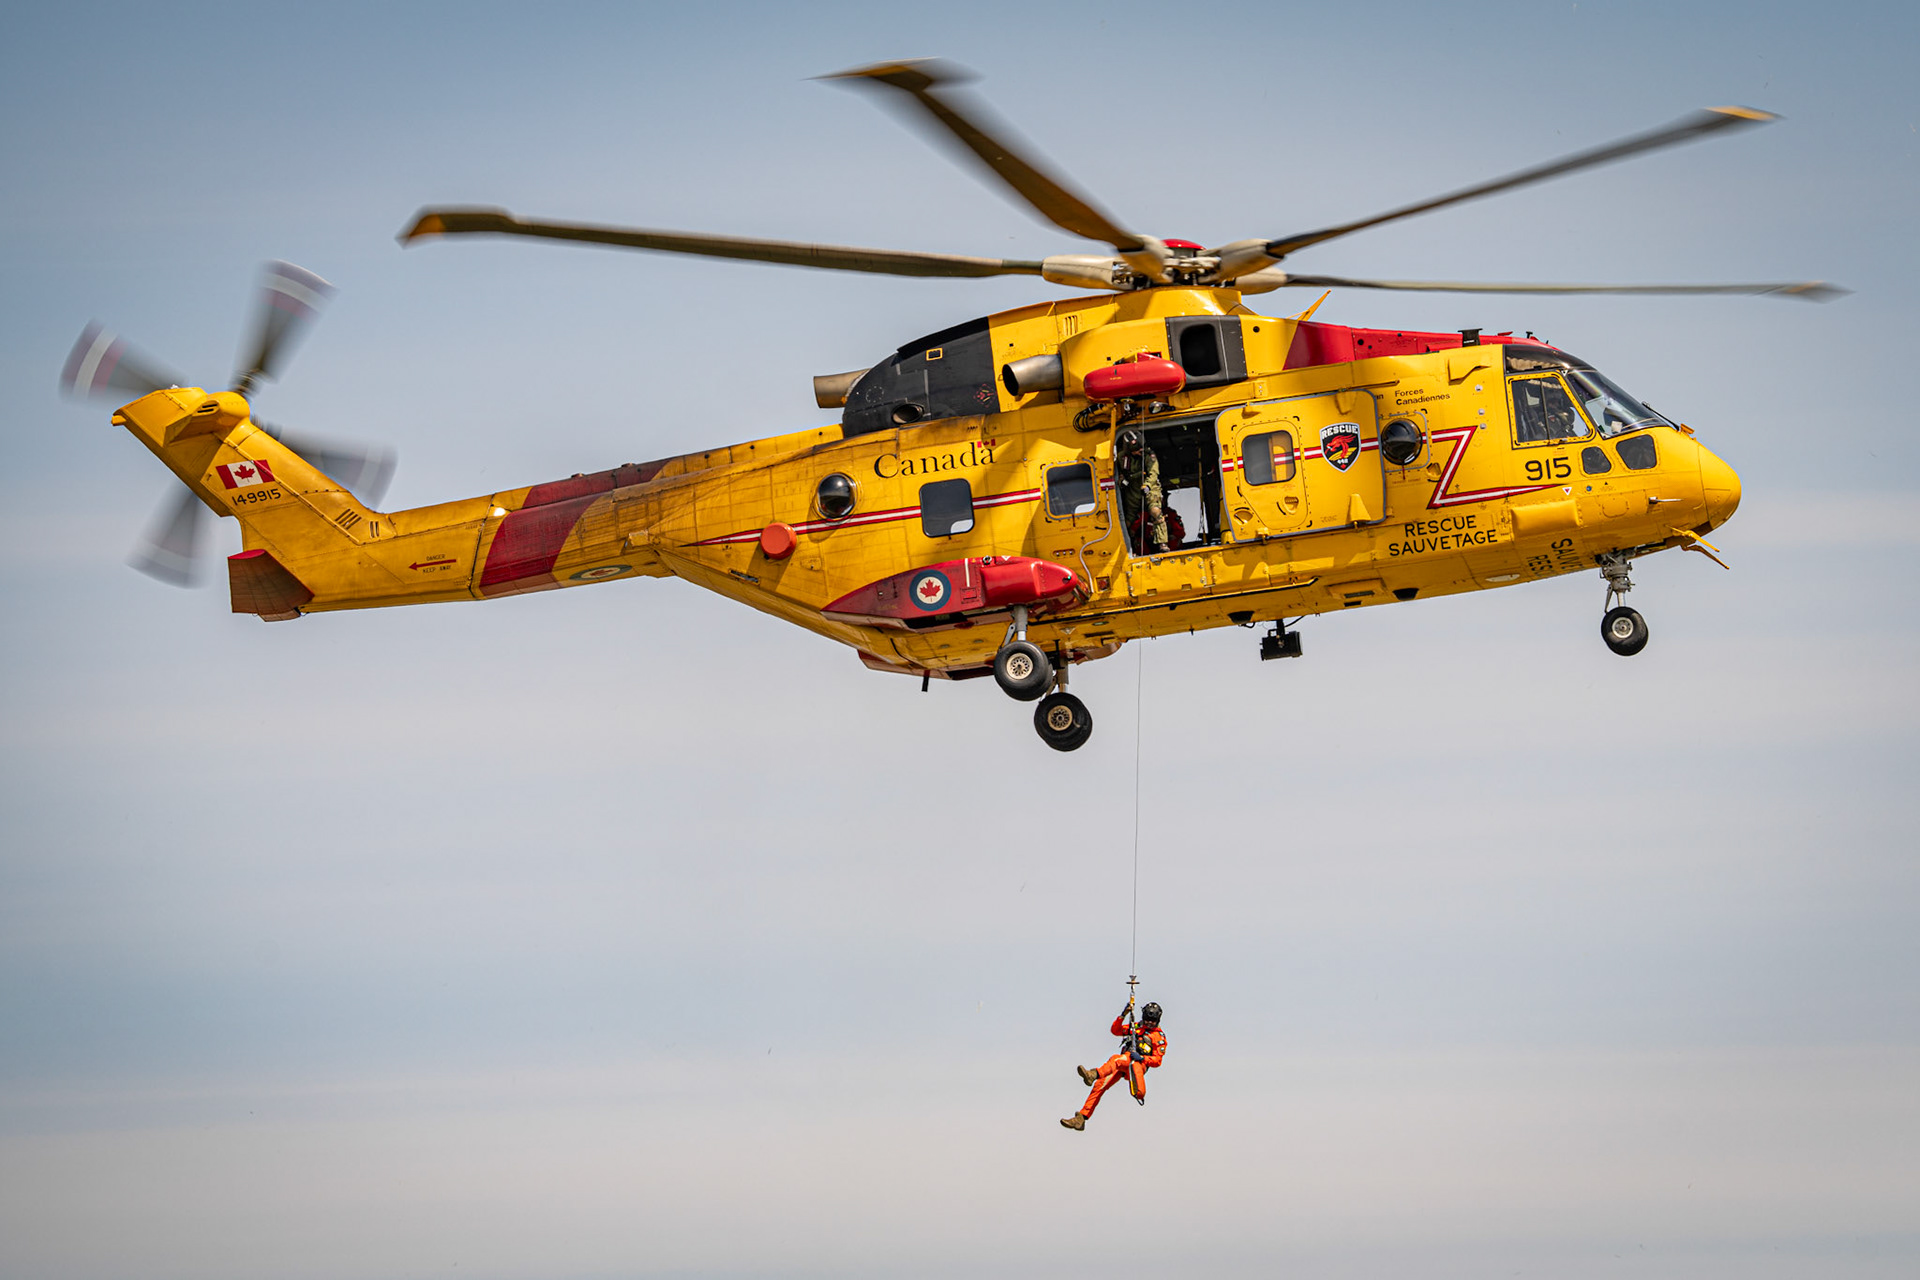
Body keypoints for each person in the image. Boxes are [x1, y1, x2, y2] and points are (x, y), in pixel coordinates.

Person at [1061, 1001, 1165, 1130]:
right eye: (1147, 1020)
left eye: (1152, 1021)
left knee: (1117, 1059)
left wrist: (1142, 1058)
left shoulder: (1158, 1037)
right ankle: (1081, 1118)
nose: (1149, 1023)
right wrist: (1123, 1015)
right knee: (1099, 1085)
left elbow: (1157, 1060)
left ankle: (1093, 1074)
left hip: (1137, 1066)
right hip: (1123, 1064)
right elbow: (1115, 1030)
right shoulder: (1136, 1027)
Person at [1116, 428, 1169, 554]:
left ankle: (1162, 543)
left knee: (1155, 511)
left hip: (1150, 487)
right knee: (1128, 521)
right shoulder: (1121, 457)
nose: (1139, 452)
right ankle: (1130, 548)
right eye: (1136, 451)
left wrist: (1148, 486)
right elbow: (1119, 475)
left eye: (1140, 449)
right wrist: (1121, 481)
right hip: (1132, 490)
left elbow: (1154, 472)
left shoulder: (1149, 455)